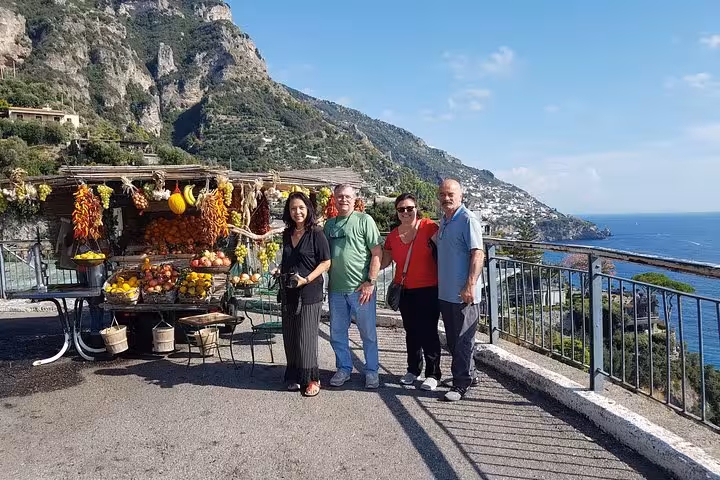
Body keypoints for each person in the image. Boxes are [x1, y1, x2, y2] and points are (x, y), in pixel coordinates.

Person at [324, 184, 383, 389]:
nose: (344, 200)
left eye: (348, 196)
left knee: (368, 333)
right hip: (336, 289)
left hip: (361, 290)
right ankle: (344, 369)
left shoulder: (364, 220)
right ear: (334, 198)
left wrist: (371, 282)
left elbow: (377, 253)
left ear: (355, 198)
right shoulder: (329, 225)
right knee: (337, 332)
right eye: (340, 196)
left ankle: (372, 371)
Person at [381, 193, 441, 390]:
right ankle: (413, 370)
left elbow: (445, 250)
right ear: (397, 212)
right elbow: (385, 261)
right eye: (401, 209)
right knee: (411, 332)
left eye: (409, 208)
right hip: (405, 289)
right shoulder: (392, 236)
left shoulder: (429, 227)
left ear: (416, 208)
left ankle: (433, 374)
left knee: (429, 331)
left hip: (429, 288)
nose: (406, 212)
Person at [435, 179, 485, 401]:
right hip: (446, 293)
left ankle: (460, 384)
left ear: (461, 196)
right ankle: (470, 374)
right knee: (455, 340)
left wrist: (470, 285)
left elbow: (478, 254)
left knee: (464, 339)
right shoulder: (445, 221)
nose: (446, 198)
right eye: (443, 194)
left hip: (464, 293)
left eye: (451, 194)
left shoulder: (467, 219)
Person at [277, 192, 331, 397]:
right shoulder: (287, 233)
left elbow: (326, 262)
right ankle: (294, 375)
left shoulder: (316, 233)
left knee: (306, 336)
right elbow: (287, 259)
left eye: (301, 207)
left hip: (310, 291)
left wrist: (307, 279)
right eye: (293, 208)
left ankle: (312, 379)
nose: (297, 212)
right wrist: (280, 270)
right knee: (290, 335)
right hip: (289, 290)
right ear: (288, 212)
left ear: (308, 209)